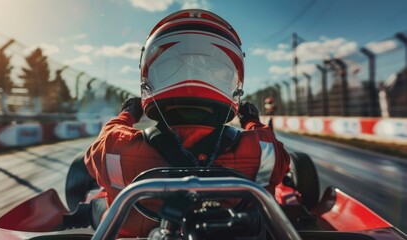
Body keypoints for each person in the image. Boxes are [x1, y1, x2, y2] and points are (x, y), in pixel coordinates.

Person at [84, 9, 290, 238]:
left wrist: (128, 114)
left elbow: (100, 146)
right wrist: (252, 120)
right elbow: (280, 160)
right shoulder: (262, 150)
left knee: (97, 204)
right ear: (233, 79)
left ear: (150, 75)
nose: (193, 73)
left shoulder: (116, 147)